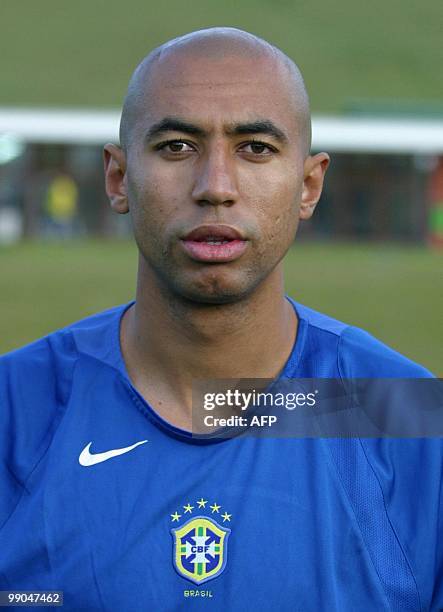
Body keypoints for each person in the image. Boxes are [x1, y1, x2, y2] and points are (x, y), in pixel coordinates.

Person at [0, 27, 441, 611]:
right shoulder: (14, 409)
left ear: (309, 186)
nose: (216, 188)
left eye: (255, 147)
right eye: (177, 146)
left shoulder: (409, 418)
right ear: (117, 178)